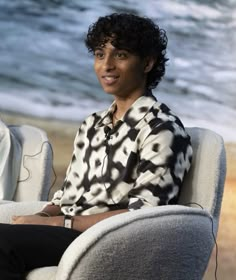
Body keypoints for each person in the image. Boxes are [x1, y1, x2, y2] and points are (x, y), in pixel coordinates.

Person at [0, 13, 193, 279]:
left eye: (121, 55)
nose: (107, 65)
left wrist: (61, 222)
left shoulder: (162, 129)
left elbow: (146, 215)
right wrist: (43, 215)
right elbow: (66, 196)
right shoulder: (92, 124)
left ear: (147, 63)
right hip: (68, 233)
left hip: (109, 239)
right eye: (100, 54)